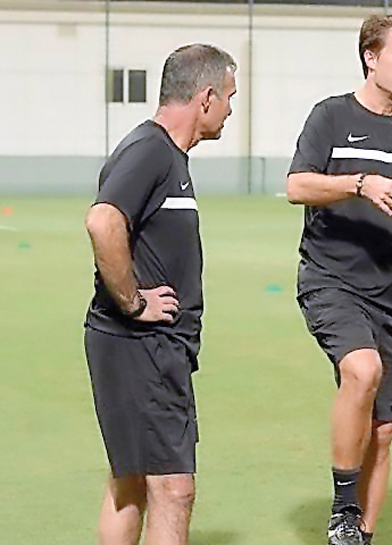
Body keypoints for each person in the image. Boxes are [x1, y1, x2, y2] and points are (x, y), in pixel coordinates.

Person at [286, 13, 392, 545]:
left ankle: (359, 536)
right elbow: (296, 186)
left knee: (382, 434)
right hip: (332, 281)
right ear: (371, 57)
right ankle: (343, 508)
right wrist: (359, 183)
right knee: (361, 372)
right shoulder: (331, 117)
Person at [83, 44, 236, 545]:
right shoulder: (151, 150)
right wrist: (134, 301)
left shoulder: (166, 155)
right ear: (205, 97)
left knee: (130, 483)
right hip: (142, 347)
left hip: (141, 350)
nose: (231, 110)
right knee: (173, 487)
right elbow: (104, 221)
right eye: (230, 98)